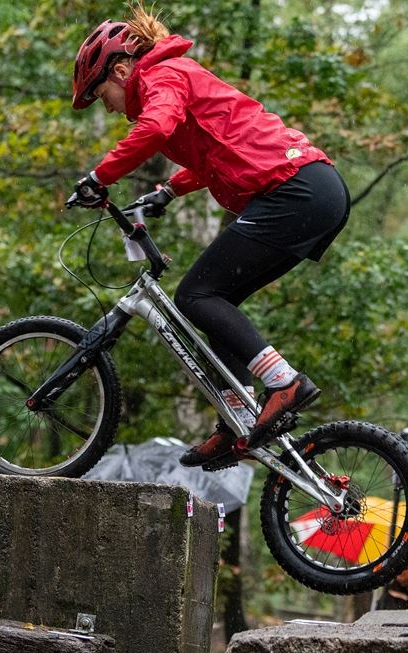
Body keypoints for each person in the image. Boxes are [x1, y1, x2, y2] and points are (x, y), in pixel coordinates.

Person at [69, 5, 350, 469]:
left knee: (195, 294)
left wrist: (99, 177)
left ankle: (284, 382)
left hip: (297, 190)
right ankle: (236, 416)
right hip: (309, 191)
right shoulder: (171, 80)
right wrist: (167, 191)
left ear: (120, 71)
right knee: (215, 299)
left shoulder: (163, 76)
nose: (110, 107)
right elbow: (215, 154)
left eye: (102, 96)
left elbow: (155, 127)